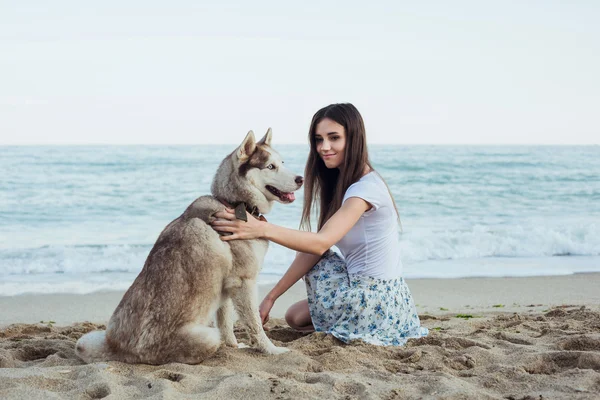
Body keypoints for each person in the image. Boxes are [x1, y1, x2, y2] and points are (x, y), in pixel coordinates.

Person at [211, 103, 428, 346]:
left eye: (334, 138)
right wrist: (270, 298)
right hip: (394, 300)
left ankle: (359, 326)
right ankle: (355, 325)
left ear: (354, 138)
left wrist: (261, 228)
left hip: (371, 298)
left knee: (313, 248)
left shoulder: (364, 190)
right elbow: (316, 246)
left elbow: (321, 244)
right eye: (318, 139)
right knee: (295, 317)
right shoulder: (350, 183)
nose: (324, 147)